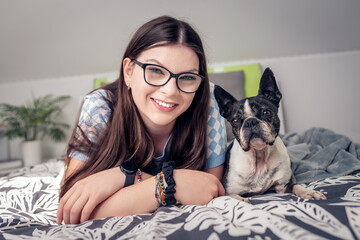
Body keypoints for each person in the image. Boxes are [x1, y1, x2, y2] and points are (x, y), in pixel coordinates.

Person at [57, 15, 227, 225]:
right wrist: (171, 183)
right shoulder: (100, 106)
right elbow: (73, 210)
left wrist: (123, 177)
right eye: (155, 70)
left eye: (188, 77)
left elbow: (209, 190)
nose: (170, 91)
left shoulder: (210, 103)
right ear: (128, 72)